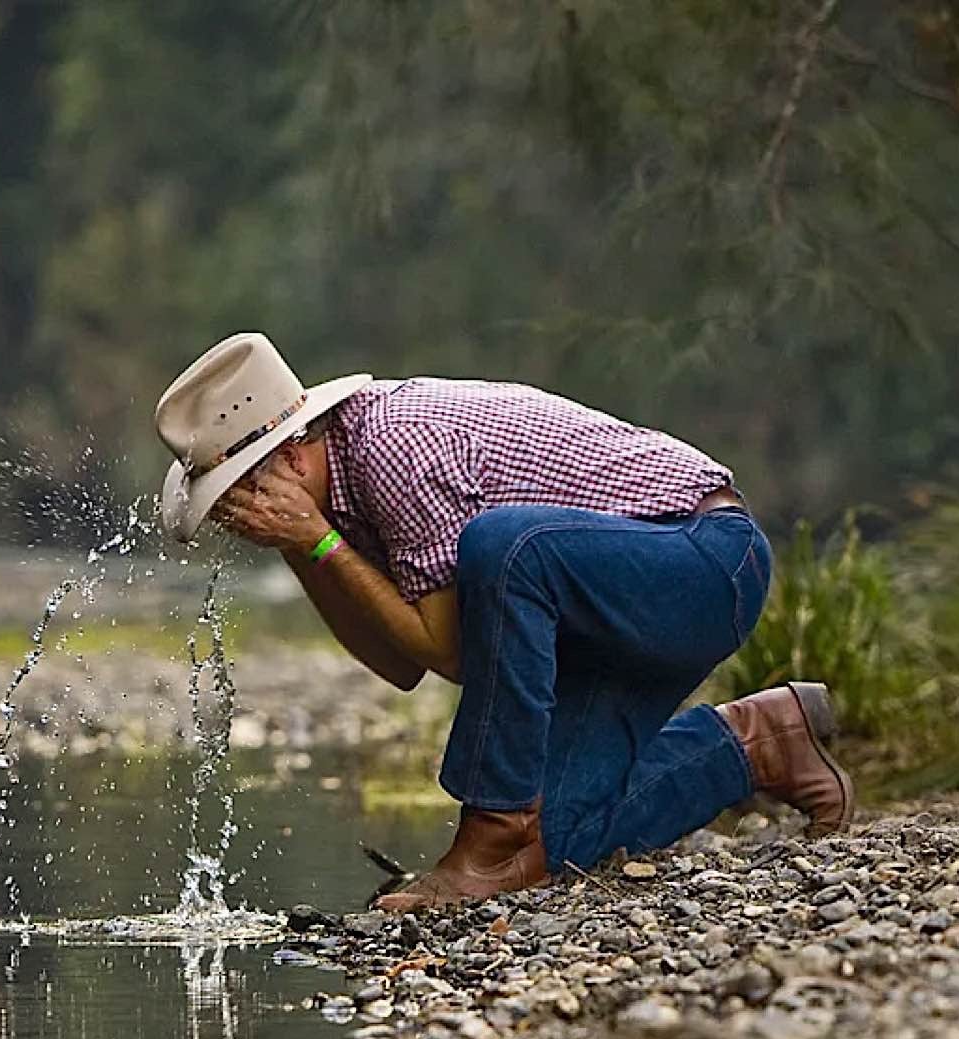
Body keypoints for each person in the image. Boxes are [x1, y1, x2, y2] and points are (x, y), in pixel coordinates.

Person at [156, 332, 853, 911]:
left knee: (503, 546)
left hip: (704, 563)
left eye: (240, 495)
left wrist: (319, 543)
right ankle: (762, 741)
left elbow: (452, 651)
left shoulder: (394, 443)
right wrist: (309, 549)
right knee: (554, 848)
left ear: (294, 455)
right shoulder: (333, 494)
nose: (235, 521)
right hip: (605, 616)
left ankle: (488, 832)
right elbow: (399, 665)